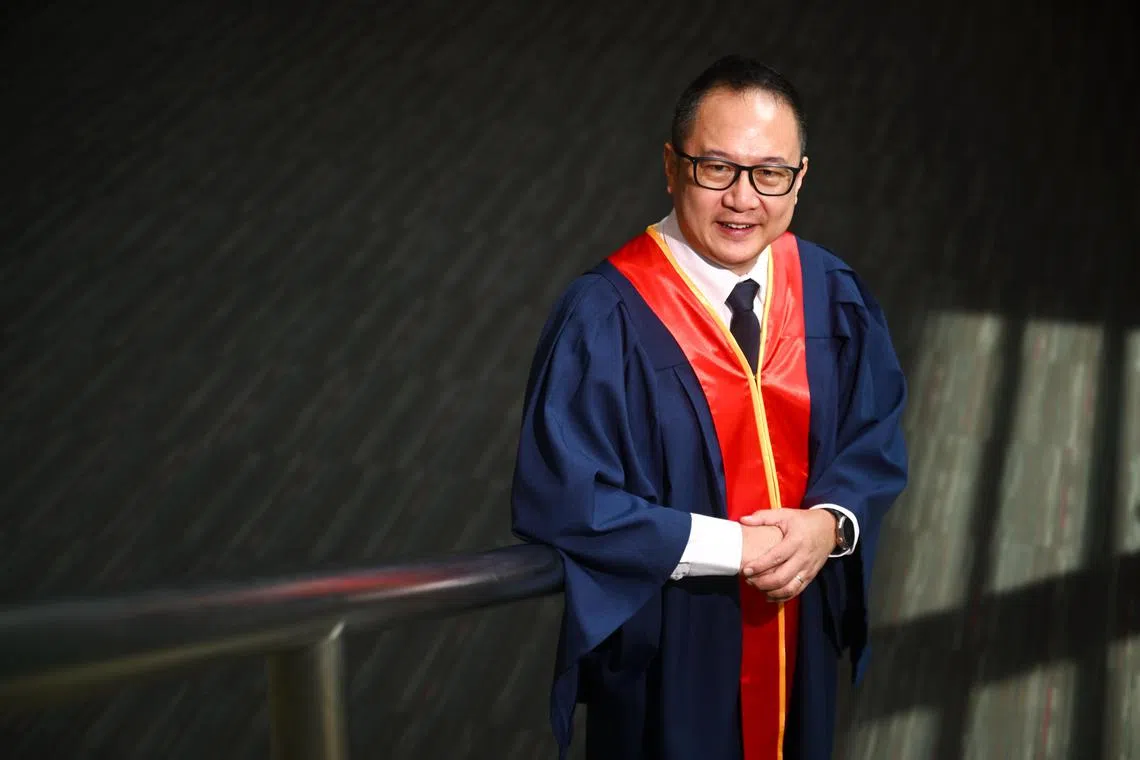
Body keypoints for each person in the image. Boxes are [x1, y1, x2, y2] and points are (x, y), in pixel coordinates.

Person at [510, 54, 908, 760]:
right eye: (715, 168)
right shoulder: (604, 317)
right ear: (671, 166)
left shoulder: (827, 287)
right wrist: (738, 549)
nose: (743, 200)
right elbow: (565, 499)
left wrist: (830, 524)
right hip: (670, 647)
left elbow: (872, 435)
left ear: (800, 179)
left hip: (797, 630)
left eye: (769, 174)